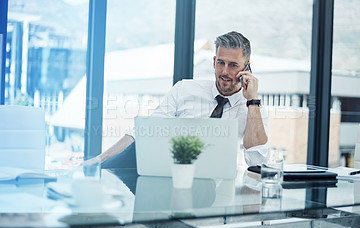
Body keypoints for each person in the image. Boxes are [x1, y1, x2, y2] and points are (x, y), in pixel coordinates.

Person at [87, 31, 269, 168]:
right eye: (220, 62)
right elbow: (144, 132)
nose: (224, 72)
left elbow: (257, 162)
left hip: (221, 193)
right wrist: (98, 160)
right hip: (174, 179)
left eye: (233, 65)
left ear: (247, 67)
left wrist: (252, 101)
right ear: (214, 61)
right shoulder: (184, 89)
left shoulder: (254, 109)